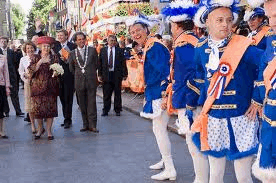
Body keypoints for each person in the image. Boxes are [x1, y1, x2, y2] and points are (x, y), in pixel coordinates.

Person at [188, 0, 264, 182]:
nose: (225, 24)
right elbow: (199, 78)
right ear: (207, 22)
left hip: (243, 117)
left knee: (243, 176)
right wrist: (193, 106)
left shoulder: (243, 46)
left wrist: (257, 98)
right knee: (215, 174)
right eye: (219, 20)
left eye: (229, 20)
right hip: (214, 118)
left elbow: (267, 65)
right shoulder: (200, 48)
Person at [161, 1, 209, 183]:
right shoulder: (187, 41)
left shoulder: (184, 44)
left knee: (194, 143)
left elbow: (192, 75)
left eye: (172, 25)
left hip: (191, 100)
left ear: (177, 25)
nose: (171, 28)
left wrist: (189, 103)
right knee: (194, 142)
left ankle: (202, 179)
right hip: (188, 97)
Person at [126, 16, 175, 180]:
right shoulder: (150, 45)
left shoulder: (154, 46)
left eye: (138, 30)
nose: (135, 34)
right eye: (132, 32)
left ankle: (170, 168)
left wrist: (163, 95)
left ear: (147, 29)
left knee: (159, 130)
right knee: (158, 129)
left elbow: (164, 72)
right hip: (154, 92)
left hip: (159, 94)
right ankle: (165, 160)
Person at [250, 0, 276, 182]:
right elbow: (262, 68)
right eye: (269, 17)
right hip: (270, 116)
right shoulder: (271, 38)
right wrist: (257, 99)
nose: (272, 22)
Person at [28, 36, 60, 140]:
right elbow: (30, 71)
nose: (46, 48)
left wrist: (56, 72)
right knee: (38, 111)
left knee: (50, 110)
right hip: (38, 88)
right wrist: (40, 62)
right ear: (40, 47)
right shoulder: (36, 57)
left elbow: (58, 70)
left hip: (51, 87)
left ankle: (49, 131)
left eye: (48, 46)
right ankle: (40, 129)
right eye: (44, 46)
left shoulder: (54, 57)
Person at [68, 32, 99, 133]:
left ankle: (93, 125)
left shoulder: (92, 50)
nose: (81, 41)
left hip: (91, 81)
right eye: (79, 39)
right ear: (75, 41)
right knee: (82, 104)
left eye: (83, 39)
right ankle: (85, 124)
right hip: (79, 82)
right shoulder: (72, 53)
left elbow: (96, 64)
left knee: (92, 103)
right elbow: (71, 69)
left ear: (85, 40)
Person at [98, 35, 128, 116]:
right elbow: (100, 63)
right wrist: (99, 74)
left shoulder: (120, 50)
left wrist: (125, 73)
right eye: (111, 40)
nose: (113, 42)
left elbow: (123, 63)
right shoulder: (103, 50)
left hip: (116, 74)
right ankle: (106, 110)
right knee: (106, 93)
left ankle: (117, 109)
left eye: (114, 40)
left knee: (117, 93)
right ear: (108, 41)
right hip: (106, 75)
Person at [53, 29, 77, 129]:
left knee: (69, 99)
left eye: (61, 35)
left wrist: (68, 60)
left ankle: (68, 119)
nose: (59, 37)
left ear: (66, 36)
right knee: (62, 98)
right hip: (59, 77)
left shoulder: (72, 46)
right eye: (58, 35)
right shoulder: (55, 46)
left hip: (69, 76)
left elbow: (76, 61)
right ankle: (65, 118)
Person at [0, 37, 24, 117]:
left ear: (7, 43)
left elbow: (16, 63)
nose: (3, 42)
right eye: (2, 41)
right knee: (3, 95)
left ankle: (18, 111)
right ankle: (6, 111)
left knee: (14, 94)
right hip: (2, 77)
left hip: (12, 76)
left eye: (5, 41)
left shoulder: (11, 52)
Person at [18, 41, 37, 134]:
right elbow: (20, 71)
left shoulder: (38, 57)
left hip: (38, 84)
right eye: (28, 48)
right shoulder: (23, 59)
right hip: (28, 84)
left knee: (38, 104)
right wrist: (25, 76)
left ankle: (40, 125)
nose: (30, 50)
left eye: (31, 48)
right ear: (25, 50)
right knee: (30, 105)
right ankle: (33, 125)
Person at [0, 55, 10, 139]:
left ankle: (1, 131)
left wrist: (7, 87)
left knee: (0, 110)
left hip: (1, 86)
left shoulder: (2, 58)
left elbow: (6, 73)